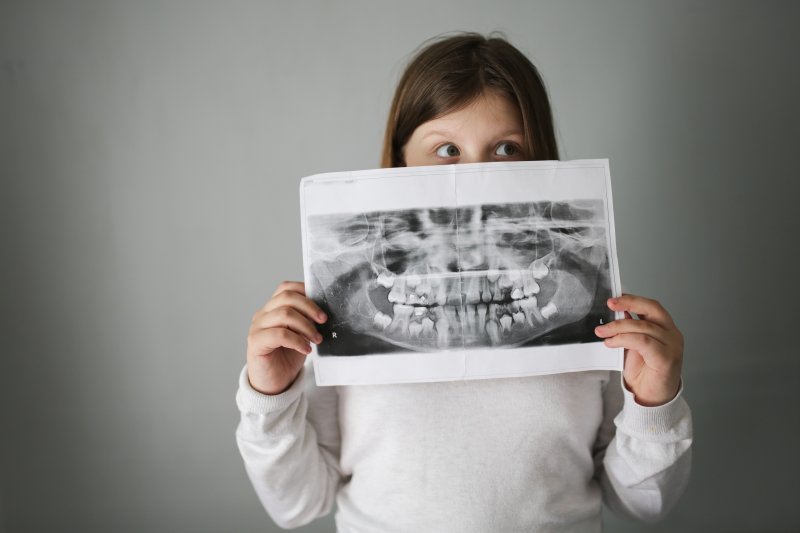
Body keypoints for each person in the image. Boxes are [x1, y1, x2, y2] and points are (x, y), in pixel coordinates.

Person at [235, 32, 692, 532]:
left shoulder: (593, 316)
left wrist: (654, 404)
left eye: (506, 148)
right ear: (399, 158)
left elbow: (642, 506)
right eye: (448, 149)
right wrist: (271, 397)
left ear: (542, 158)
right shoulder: (339, 316)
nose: (476, 178)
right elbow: (297, 505)